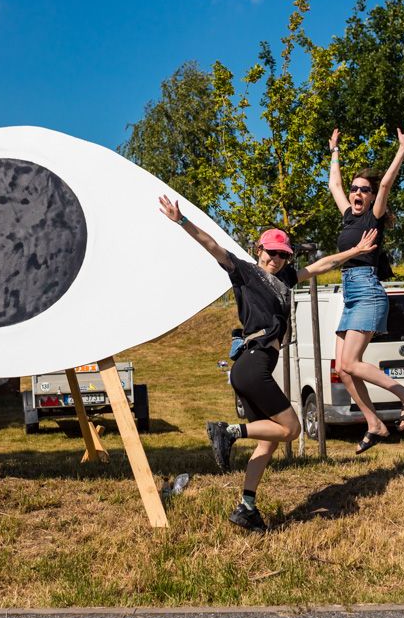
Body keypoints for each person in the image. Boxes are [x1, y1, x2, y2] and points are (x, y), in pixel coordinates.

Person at [158, 194, 378, 533]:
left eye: (282, 254)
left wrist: (355, 251)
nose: (275, 259)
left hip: (251, 366)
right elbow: (212, 245)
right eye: (270, 252)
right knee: (291, 429)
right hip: (254, 364)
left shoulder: (286, 279)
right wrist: (182, 221)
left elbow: (322, 265)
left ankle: (246, 506)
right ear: (259, 250)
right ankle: (229, 431)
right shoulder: (244, 272)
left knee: (269, 440)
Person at [327, 122, 404, 455]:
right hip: (350, 294)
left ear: (371, 197)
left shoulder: (374, 217)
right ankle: (374, 423)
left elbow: (386, 182)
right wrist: (335, 151)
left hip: (367, 291)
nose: (357, 193)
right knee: (342, 369)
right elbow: (334, 183)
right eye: (355, 189)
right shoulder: (348, 217)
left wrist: (403, 148)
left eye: (364, 190)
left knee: (352, 363)